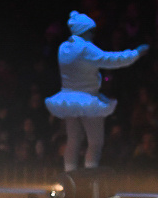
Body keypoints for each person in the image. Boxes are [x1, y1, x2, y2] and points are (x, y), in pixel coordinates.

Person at [45, 11, 149, 172]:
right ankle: (90, 176)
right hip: (87, 100)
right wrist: (135, 53)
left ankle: (69, 176)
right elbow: (111, 60)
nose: (93, 35)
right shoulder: (86, 48)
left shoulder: (63, 48)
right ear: (84, 31)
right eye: (91, 31)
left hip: (69, 100)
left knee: (73, 140)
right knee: (95, 142)